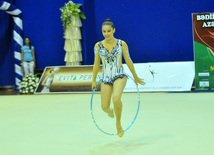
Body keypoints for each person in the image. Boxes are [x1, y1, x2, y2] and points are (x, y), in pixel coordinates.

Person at [92, 19, 146, 137]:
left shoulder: (122, 44)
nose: (106, 34)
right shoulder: (98, 46)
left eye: (109, 31)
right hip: (106, 77)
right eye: (104, 31)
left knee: (116, 99)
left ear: (114, 30)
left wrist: (135, 77)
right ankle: (110, 111)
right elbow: (96, 64)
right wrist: (93, 79)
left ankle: (118, 123)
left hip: (119, 75)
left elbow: (129, 61)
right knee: (104, 107)